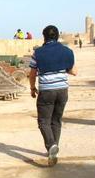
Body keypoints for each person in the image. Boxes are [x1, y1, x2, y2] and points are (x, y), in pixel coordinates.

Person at [28, 25, 77, 166]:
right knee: (56, 120)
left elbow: (32, 73)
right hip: (62, 90)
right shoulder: (67, 51)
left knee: (43, 121)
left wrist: (32, 87)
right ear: (57, 36)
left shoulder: (38, 53)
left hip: (47, 91)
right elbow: (73, 71)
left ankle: (51, 146)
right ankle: (54, 147)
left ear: (44, 37)